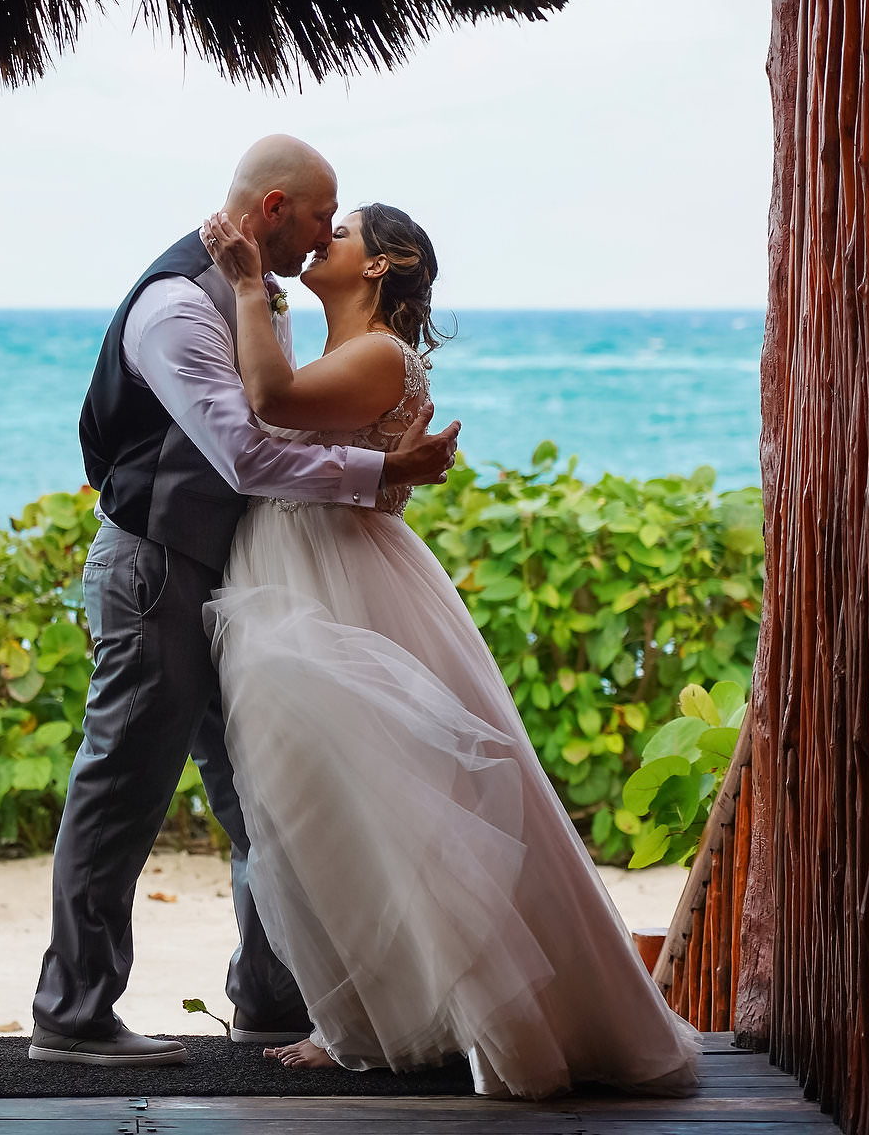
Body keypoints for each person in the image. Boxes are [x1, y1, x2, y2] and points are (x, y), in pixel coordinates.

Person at [197, 203, 704, 1099]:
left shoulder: (383, 357)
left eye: (341, 234)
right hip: (303, 572)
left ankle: (417, 1019)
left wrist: (244, 282)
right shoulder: (344, 353)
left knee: (383, 808)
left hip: (335, 586)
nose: (322, 244)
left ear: (385, 264)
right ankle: (374, 1015)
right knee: (332, 810)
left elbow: (270, 404)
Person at [29, 137, 461, 1067]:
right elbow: (246, 454)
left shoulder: (257, 296)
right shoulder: (179, 306)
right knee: (121, 789)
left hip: (230, 576)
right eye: (319, 217)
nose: (321, 240)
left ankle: (269, 999)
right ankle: (71, 1016)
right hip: (152, 567)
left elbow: (278, 420)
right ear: (274, 209)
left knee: (264, 792)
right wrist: (384, 468)